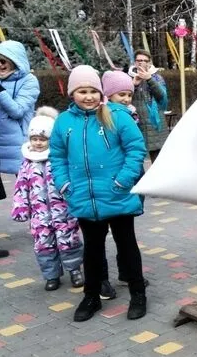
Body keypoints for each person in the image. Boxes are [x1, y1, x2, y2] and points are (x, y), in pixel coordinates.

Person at [49, 65, 147, 322]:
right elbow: (57, 156)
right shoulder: (64, 122)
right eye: (82, 91)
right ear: (72, 93)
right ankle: (91, 296)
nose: (89, 96)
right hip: (84, 197)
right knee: (92, 250)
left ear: (101, 92)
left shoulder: (116, 115)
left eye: (93, 91)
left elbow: (136, 148)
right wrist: (64, 184)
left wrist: (123, 180)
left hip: (117, 194)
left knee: (127, 246)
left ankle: (138, 294)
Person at [11, 107, 84, 291]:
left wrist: (76, 200)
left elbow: (71, 181)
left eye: (43, 139)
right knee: (44, 243)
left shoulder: (58, 159)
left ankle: (74, 270)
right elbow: (21, 187)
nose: (38, 143)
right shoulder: (27, 163)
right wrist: (20, 208)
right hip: (39, 214)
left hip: (63, 211)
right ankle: (51, 275)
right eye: (34, 139)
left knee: (68, 239)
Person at [101, 71, 150, 295]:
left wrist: (129, 177)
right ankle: (104, 278)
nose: (126, 99)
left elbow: (135, 148)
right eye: (121, 94)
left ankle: (127, 273)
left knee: (124, 233)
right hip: (111, 183)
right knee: (102, 235)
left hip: (127, 180)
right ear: (109, 94)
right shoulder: (104, 116)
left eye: (129, 94)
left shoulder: (129, 114)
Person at [0, 40, 40, 258]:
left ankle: (40, 227)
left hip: (19, 144)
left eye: (3, 60)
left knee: (30, 189)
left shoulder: (29, 81)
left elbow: (17, 111)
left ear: (15, 61)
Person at [131, 50, 169, 163]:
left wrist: (149, 79)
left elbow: (162, 97)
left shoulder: (157, 78)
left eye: (145, 60)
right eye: (139, 60)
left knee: (158, 161)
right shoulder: (128, 77)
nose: (142, 63)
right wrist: (134, 85)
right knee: (136, 158)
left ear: (149, 62)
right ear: (135, 62)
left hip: (155, 124)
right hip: (136, 123)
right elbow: (123, 99)